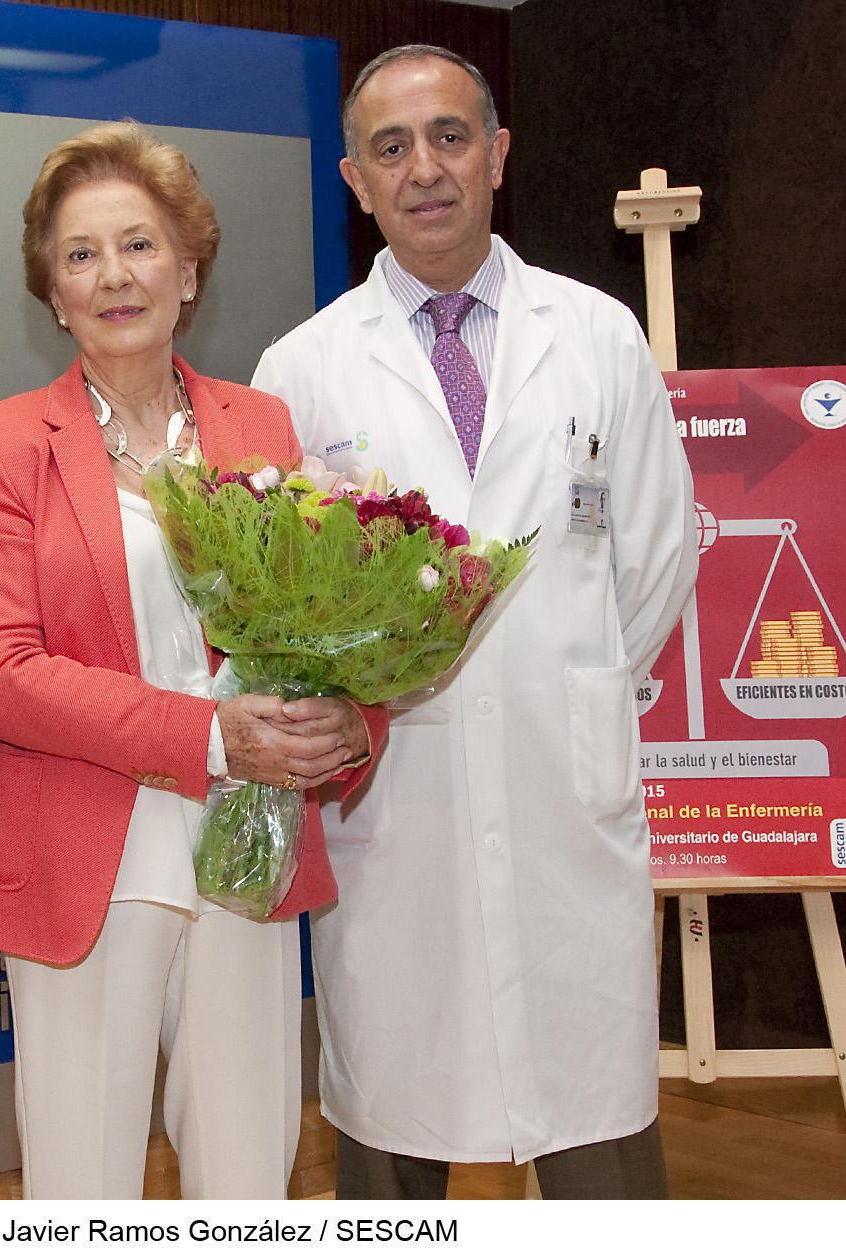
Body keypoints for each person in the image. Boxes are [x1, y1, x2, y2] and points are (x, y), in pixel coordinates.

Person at [252, 46, 698, 1199]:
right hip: (397, 806)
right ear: (355, 180)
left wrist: (562, 679)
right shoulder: (301, 368)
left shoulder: (598, 336)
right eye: (391, 147)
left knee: (595, 1134)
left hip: (564, 795)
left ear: (498, 155)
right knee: (395, 1122)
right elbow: (287, 607)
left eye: (450, 137)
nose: (425, 169)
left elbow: (653, 562)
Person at [0, 122, 388, 1200]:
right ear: (52, 294)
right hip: (83, 849)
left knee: (247, 1166)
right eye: (80, 254)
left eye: (138, 245)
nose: (112, 276)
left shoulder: (261, 424)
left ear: (188, 270)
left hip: (245, 843)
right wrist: (207, 734)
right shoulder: (3, 445)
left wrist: (349, 721)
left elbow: (321, 627)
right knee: (82, 1178)